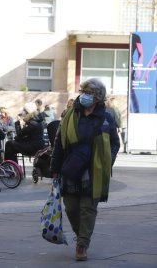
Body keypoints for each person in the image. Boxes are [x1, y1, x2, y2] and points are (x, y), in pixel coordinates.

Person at [50, 78, 120, 261]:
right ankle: (82, 234)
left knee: (88, 209)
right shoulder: (70, 115)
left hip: (93, 171)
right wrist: (54, 168)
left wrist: (107, 162)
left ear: (98, 96)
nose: (85, 96)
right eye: (83, 91)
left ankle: (82, 245)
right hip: (71, 167)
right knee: (71, 208)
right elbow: (59, 144)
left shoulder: (107, 117)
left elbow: (114, 143)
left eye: (89, 93)